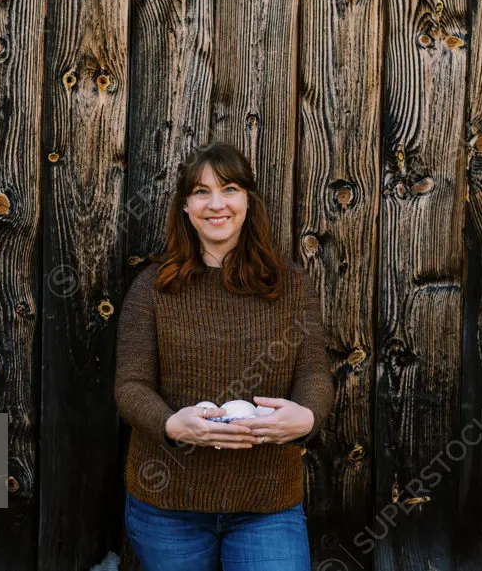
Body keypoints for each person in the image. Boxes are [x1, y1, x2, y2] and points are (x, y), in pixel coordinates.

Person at [114, 140, 335, 571]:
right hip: (168, 504)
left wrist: (308, 418)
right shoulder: (152, 288)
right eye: (201, 191)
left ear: (248, 201)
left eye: (229, 189)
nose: (216, 204)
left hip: (266, 503)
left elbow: (313, 372)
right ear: (184, 206)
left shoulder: (290, 285)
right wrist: (171, 425)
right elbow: (130, 385)